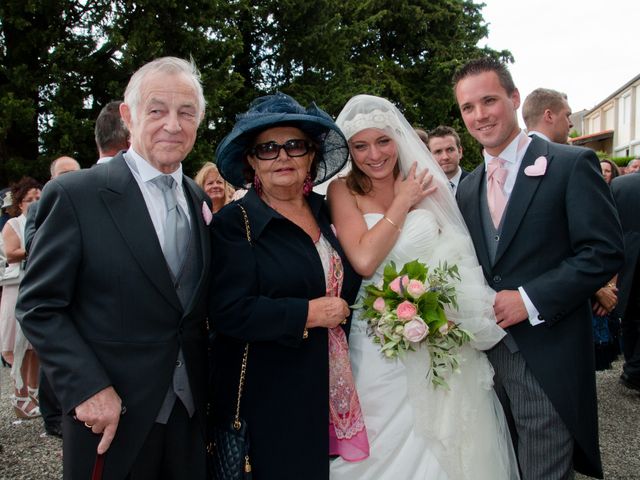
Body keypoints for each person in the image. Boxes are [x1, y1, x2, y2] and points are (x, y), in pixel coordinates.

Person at [16, 57, 212, 479]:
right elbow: (38, 306)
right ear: (128, 116)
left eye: (186, 112)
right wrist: (86, 387)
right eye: (157, 110)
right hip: (110, 420)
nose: (173, 125)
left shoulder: (199, 199)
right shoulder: (76, 195)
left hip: (188, 419)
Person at [328, 94, 519, 480]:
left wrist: (445, 306)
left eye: (383, 141)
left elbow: (457, 253)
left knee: (450, 437)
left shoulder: (425, 180)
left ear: (397, 139)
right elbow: (364, 260)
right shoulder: (341, 191)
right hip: (374, 337)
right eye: (360, 146)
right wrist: (403, 203)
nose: (374, 154)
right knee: (382, 434)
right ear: (349, 150)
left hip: (437, 331)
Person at [453, 57, 624, 479]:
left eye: (489, 101)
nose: (479, 115)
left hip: (549, 353)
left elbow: (602, 252)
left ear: (513, 98)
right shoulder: (468, 187)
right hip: (485, 360)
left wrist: (529, 299)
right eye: (468, 108)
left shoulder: (570, 165)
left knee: (545, 469)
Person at [210, 92, 362, 479]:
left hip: (332, 384)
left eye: (294, 146)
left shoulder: (326, 212)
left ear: (311, 155)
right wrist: (308, 313)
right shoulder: (236, 223)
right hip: (271, 397)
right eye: (268, 149)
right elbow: (228, 311)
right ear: (251, 161)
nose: (282, 157)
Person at [22, 156, 81, 438]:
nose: (69, 178)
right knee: (52, 356)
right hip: (55, 290)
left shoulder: (89, 199)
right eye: (63, 174)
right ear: (52, 179)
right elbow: (32, 243)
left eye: (74, 173)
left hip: (84, 294)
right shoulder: (39, 207)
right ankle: (52, 414)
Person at [1, 177, 41, 419]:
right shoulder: (13, 224)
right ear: (20, 203)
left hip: (37, 286)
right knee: (20, 346)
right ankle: (20, 395)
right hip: (18, 287)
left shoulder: (46, 221)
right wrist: (37, 248)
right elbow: (11, 253)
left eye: (38, 198)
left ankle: (35, 393)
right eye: (30, 200)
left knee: (35, 347)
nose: (35, 203)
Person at [611, 173, 640, 391]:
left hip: (625, 257)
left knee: (628, 314)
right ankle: (635, 369)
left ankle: (631, 365)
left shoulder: (621, 184)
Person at [426, 125, 469, 194]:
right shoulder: (426, 188)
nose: (445, 157)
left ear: (460, 152)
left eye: (450, 150)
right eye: (438, 151)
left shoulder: (479, 183)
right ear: (430, 156)